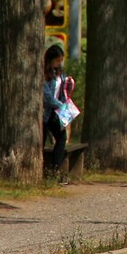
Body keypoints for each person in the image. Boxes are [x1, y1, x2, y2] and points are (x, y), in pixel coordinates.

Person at [42, 44, 74, 184]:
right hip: (45, 113)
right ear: (50, 60)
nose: (59, 63)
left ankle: (55, 170)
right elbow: (47, 97)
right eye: (57, 60)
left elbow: (62, 92)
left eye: (61, 60)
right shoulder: (44, 74)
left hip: (56, 113)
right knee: (41, 142)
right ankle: (42, 170)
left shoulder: (60, 73)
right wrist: (62, 106)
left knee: (61, 137)